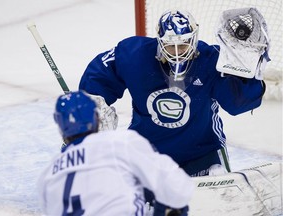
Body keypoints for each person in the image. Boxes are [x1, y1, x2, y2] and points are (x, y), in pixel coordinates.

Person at [79, 9, 268, 205]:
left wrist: (248, 71)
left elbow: (237, 102)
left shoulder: (211, 60)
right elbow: (102, 71)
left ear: (193, 40)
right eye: (170, 47)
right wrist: (91, 102)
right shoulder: (136, 56)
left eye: (184, 45)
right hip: (147, 155)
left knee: (217, 205)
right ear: (159, 42)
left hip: (202, 153)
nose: (178, 53)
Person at [38, 90, 194, 216]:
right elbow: (177, 187)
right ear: (96, 118)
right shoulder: (119, 143)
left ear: (59, 125)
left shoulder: (48, 173)